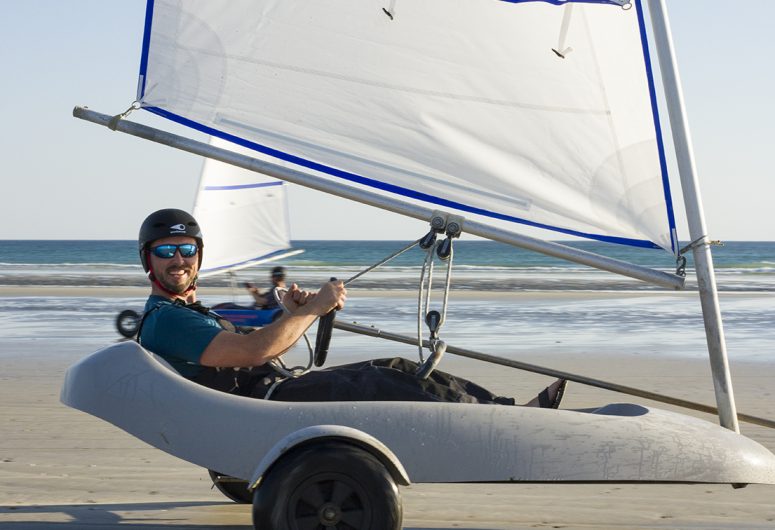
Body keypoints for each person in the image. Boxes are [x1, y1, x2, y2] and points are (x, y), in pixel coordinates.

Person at [136, 208, 566, 406]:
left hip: (270, 393)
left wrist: (292, 313)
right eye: (166, 250)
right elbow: (252, 354)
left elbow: (259, 349)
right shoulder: (167, 320)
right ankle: (500, 420)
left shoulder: (190, 314)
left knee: (395, 365)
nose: (179, 259)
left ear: (198, 255)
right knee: (378, 382)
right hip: (265, 404)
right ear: (148, 260)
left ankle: (502, 411)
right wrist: (313, 309)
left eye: (187, 248)